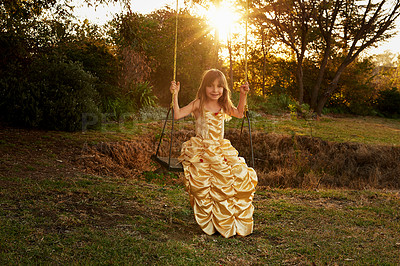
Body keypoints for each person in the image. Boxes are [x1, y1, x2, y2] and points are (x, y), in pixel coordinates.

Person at [170, 69, 258, 238]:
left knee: (237, 173)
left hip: (220, 148)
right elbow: (177, 114)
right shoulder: (198, 104)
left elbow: (240, 114)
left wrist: (243, 95)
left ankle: (226, 220)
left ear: (224, 89)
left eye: (219, 87)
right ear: (204, 87)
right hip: (201, 148)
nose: (215, 90)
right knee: (208, 179)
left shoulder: (223, 105)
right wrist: (175, 95)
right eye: (210, 86)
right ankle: (212, 220)